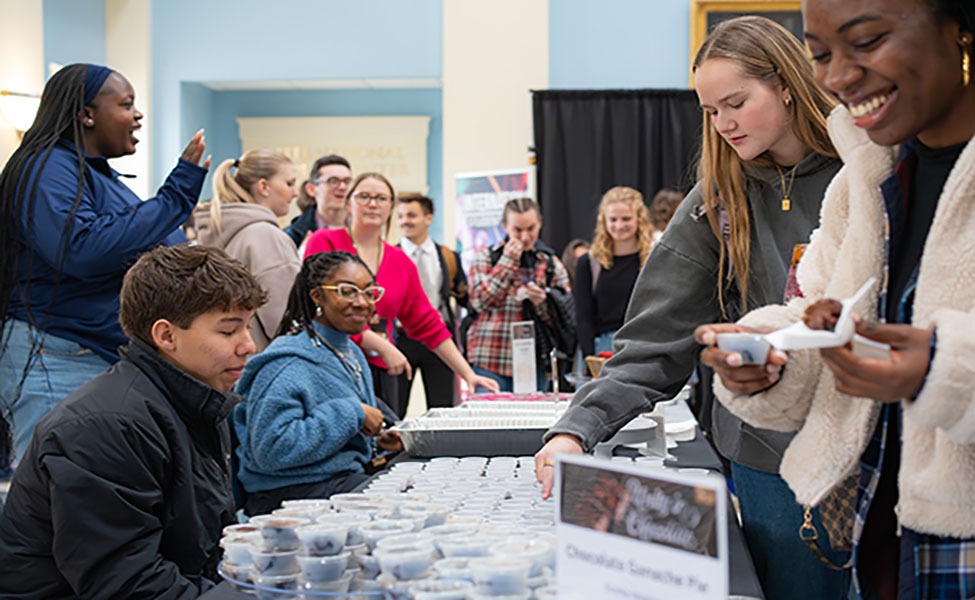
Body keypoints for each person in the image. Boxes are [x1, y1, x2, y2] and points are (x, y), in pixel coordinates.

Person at [534, 17, 850, 600]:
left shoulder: (868, 170)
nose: (724, 124)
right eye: (710, 111)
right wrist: (575, 431)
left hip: (878, 450)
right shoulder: (716, 203)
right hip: (768, 462)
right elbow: (653, 341)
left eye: (735, 102)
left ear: (785, 83)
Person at [698, 1, 975, 597]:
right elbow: (813, 307)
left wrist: (940, 368)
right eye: (821, 54)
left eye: (867, 41)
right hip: (882, 534)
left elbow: (934, 360)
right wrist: (769, 358)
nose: (837, 76)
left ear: (960, 29)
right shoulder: (864, 181)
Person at [0, 244, 266, 598]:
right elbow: (126, 584)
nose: (248, 345)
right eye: (229, 331)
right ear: (166, 335)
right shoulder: (104, 427)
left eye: (248, 327)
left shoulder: (196, 401)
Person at [0, 63, 210, 465]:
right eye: (127, 104)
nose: (138, 115)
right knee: (59, 492)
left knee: (97, 487)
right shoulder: (46, 166)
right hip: (57, 352)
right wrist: (176, 194)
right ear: (86, 114)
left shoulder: (100, 178)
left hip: (95, 352)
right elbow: (81, 250)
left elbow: (137, 244)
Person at [304, 173, 498, 416]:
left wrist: (468, 374)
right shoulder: (326, 241)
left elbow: (426, 321)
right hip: (330, 364)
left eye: (381, 198)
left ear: (390, 208)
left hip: (381, 371)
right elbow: (316, 306)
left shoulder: (400, 261)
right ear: (348, 203)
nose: (373, 204)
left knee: (384, 444)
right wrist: (381, 345)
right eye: (364, 196)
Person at [235, 251, 403, 515]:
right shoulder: (286, 363)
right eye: (347, 291)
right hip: (290, 495)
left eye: (369, 292)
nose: (362, 302)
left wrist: (378, 439)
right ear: (316, 296)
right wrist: (351, 414)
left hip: (339, 481)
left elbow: (340, 433)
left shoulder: (349, 351)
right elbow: (269, 449)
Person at [194, 149, 301, 351]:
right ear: (263, 186)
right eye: (289, 183)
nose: (295, 193)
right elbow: (287, 321)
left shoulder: (217, 230)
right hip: (261, 367)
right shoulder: (267, 237)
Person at [467, 197, 572, 392]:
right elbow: (481, 302)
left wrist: (543, 301)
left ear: (540, 224)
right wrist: (508, 261)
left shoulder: (550, 263)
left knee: (531, 421)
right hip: (490, 358)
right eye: (517, 230)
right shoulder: (485, 257)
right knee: (489, 421)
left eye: (530, 229)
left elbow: (565, 316)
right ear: (505, 226)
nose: (525, 237)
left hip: (532, 362)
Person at [395, 194, 469, 410]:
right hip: (401, 339)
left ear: (428, 218)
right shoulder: (391, 255)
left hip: (438, 338)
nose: (404, 221)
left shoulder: (447, 256)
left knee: (442, 405)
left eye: (411, 215)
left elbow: (463, 296)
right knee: (396, 405)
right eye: (400, 216)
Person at [574, 186, 654, 360]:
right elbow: (583, 317)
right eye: (613, 219)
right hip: (604, 348)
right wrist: (590, 360)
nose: (619, 225)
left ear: (639, 219)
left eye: (626, 219)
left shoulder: (654, 259)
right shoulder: (588, 263)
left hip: (647, 344)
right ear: (604, 221)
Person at [284, 154, 352, 248]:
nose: (342, 187)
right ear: (311, 189)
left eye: (347, 181)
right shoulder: (292, 236)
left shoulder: (366, 229)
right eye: (333, 181)